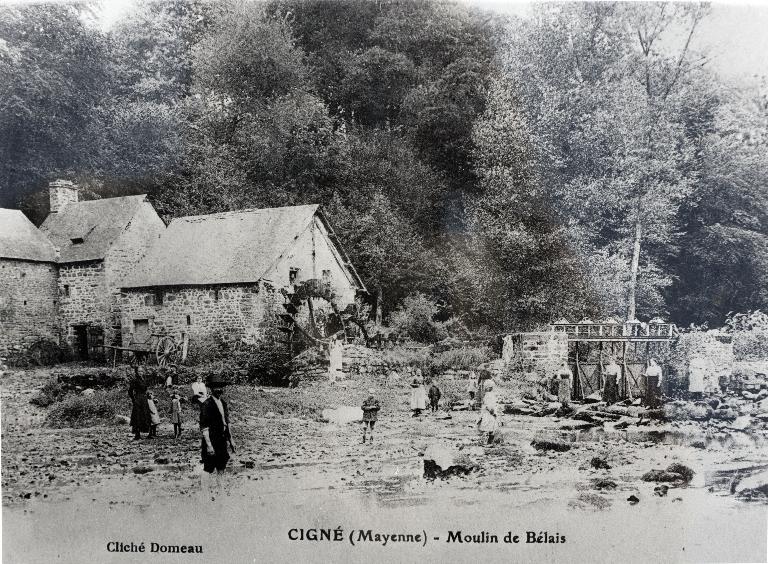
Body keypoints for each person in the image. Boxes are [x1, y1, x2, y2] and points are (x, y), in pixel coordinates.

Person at [200, 374, 235, 499]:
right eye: (216, 387)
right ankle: (204, 494)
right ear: (211, 389)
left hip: (221, 439)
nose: (219, 390)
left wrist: (231, 440)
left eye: (220, 387)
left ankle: (221, 493)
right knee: (208, 468)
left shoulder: (223, 403)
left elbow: (227, 422)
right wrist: (209, 446)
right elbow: (204, 427)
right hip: (211, 439)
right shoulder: (206, 404)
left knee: (221, 466)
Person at [128, 366, 151, 440]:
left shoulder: (143, 379)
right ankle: (137, 434)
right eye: (139, 371)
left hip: (144, 399)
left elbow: (145, 389)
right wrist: (133, 399)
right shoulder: (134, 380)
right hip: (138, 399)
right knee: (137, 416)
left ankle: (146, 432)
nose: (141, 373)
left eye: (142, 371)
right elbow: (130, 391)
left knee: (144, 414)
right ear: (136, 372)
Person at [478, 380, 499, 445]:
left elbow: (493, 404)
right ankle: (486, 440)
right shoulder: (488, 395)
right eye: (489, 387)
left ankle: (490, 440)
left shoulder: (490, 395)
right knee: (487, 426)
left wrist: (493, 411)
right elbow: (487, 405)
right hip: (488, 413)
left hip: (490, 413)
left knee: (491, 426)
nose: (490, 388)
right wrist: (491, 410)